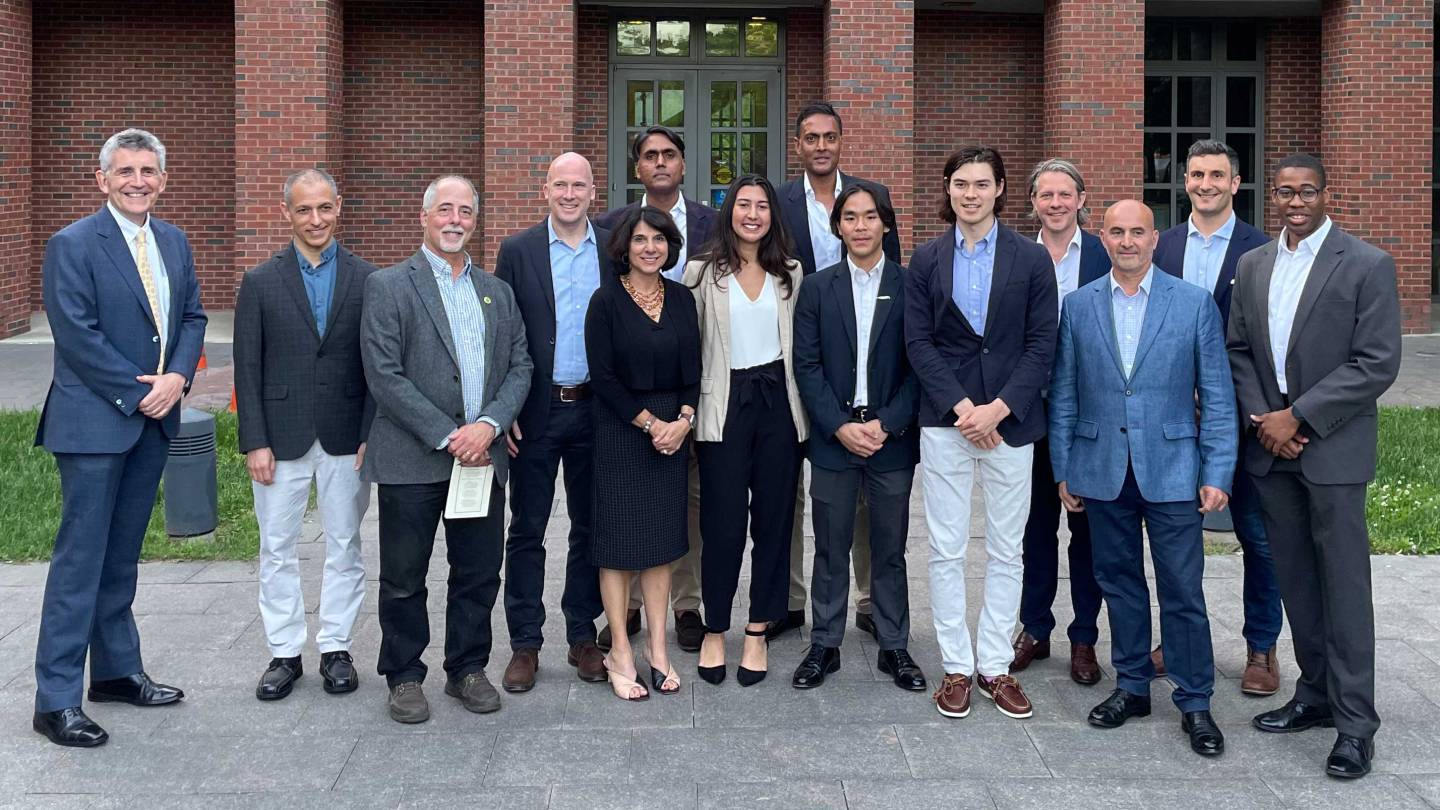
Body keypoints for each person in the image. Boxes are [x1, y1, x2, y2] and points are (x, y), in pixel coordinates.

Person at [1229, 154, 1402, 779]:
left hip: (1332, 448)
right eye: (1285, 192)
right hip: (1272, 449)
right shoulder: (1253, 264)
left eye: (1307, 191)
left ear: (1326, 194)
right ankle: (1316, 694)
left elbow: (1376, 361)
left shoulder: (1367, 264)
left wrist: (1298, 417)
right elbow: (1238, 349)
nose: (1295, 202)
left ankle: (1355, 725)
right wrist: (1266, 421)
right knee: (1297, 581)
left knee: (1344, 587)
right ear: (1272, 197)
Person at [32, 128, 206, 748]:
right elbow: (76, 334)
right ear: (102, 179)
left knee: (121, 556)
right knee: (80, 561)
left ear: (163, 179)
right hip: (94, 424)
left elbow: (192, 316)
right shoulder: (73, 244)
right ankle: (55, 700)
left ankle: (115, 672)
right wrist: (139, 394)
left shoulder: (174, 241)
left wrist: (178, 377)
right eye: (125, 171)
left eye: (148, 171)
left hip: (154, 421)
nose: (138, 181)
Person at [1049, 199, 1235, 758]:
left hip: (1174, 470)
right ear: (1102, 238)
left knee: (1182, 589)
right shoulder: (1078, 305)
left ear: (1156, 239)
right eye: (1116, 232)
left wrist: (1217, 470)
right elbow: (1065, 394)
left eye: (1137, 232)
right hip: (1103, 469)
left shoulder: (1194, 303)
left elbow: (1218, 397)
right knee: (1119, 582)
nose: (1127, 241)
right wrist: (1064, 467)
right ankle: (1131, 686)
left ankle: (1195, 699)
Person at [360, 175, 532, 723]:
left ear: (475, 222)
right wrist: (450, 434)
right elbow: (384, 375)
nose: (455, 220)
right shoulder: (388, 286)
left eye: (465, 212)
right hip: (413, 457)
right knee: (404, 576)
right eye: (445, 210)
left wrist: (489, 425)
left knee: (478, 572)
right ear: (424, 217)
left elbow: (521, 365)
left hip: (482, 458)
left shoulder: (497, 291)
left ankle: (467, 668)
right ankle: (404, 675)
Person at [905, 145, 1056, 721]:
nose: (970, 194)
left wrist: (999, 409)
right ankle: (955, 667)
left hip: (1010, 425)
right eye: (961, 184)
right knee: (945, 548)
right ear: (948, 190)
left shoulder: (1031, 259)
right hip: (947, 422)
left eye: (981, 184)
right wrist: (965, 408)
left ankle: (994, 665)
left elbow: (1042, 343)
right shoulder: (926, 259)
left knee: (1007, 548)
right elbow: (918, 342)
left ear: (1000, 189)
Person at [234, 168, 376, 702]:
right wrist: (254, 440)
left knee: (345, 543)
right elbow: (247, 366)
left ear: (339, 206)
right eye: (303, 209)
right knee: (276, 547)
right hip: (280, 436)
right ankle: (285, 653)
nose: (315, 219)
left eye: (324, 208)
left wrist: (369, 432)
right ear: (286, 213)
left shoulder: (367, 279)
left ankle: (336, 647)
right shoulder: (260, 281)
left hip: (346, 436)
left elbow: (377, 364)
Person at [770, 101, 904, 641]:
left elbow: (897, 295)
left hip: (869, 361)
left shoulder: (872, 196)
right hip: (804, 353)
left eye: (829, 136)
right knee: (804, 497)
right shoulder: (780, 201)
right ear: (798, 145)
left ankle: (872, 602)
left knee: (875, 508)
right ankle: (794, 602)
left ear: (841, 141)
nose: (821, 145)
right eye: (811, 137)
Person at [1153, 139, 1281, 696]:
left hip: (1242, 418)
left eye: (1217, 175)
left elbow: (1268, 341)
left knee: (1259, 538)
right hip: (1172, 421)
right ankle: (1178, 641)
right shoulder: (1162, 246)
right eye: (1196, 175)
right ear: (1185, 182)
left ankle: (1262, 647)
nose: (1205, 184)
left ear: (1235, 183)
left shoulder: (1264, 250)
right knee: (1174, 540)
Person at [791, 182, 924, 692]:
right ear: (838, 227)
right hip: (834, 439)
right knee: (830, 546)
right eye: (850, 217)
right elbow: (806, 365)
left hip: (891, 439)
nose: (861, 226)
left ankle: (894, 645)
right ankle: (824, 645)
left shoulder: (911, 286)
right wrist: (839, 426)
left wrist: (886, 424)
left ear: (885, 224)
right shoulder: (817, 288)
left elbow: (920, 365)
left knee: (889, 548)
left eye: (870, 216)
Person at [593, 125, 716, 654]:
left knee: (683, 512)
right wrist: (648, 421)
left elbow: (697, 357)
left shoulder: (714, 223)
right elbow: (605, 367)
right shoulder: (609, 227)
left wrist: (684, 418)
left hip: (680, 409)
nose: (660, 162)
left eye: (669, 154)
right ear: (637, 167)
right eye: (650, 155)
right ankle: (628, 614)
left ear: (683, 164)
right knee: (625, 516)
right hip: (627, 416)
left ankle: (686, 607)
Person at [683, 174, 808, 687]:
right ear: (728, 211)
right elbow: (688, 348)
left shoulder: (791, 272)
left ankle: (757, 629)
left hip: (779, 404)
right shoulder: (700, 273)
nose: (752, 214)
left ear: (773, 215)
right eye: (743, 205)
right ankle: (715, 627)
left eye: (762, 206)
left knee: (776, 521)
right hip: (724, 405)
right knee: (723, 523)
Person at [495, 153, 612, 692]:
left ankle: (583, 634)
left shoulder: (612, 246)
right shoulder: (517, 251)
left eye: (578, 186)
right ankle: (525, 642)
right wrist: (504, 409)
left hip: (596, 410)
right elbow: (502, 334)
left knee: (591, 526)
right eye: (560, 185)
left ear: (593, 192)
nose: (569, 194)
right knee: (528, 528)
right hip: (536, 412)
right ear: (545, 190)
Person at [585, 205, 701, 701]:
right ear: (624, 247)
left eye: (658, 239)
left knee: (660, 544)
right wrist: (651, 424)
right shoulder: (605, 302)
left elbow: (695, 369)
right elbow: (603, 378)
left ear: (670, 246)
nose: (650, 248)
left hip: (671, 433)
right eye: (640, 239)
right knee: (616, 545)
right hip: (621, 430)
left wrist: (684, 421)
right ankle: (619, 651)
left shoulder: (682, 299)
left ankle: (657, 649)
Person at [1011, 158, 1111, 687]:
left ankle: (1084, 636)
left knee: (1087, 530)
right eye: (1045, 195)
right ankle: (1035, 627)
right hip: (1030, 410)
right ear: (1033, 202)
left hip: (1091, 412)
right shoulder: (1015, 257)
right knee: (1034, 526)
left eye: (1064, 194)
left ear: (1081, 199)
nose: (1055, 203)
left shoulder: (1102, 254)